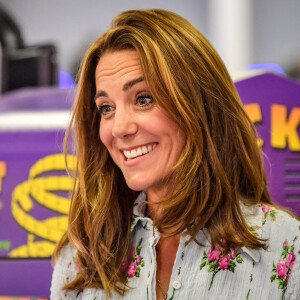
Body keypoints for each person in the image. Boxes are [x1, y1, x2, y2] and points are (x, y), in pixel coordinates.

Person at [50, 9, 300, 300]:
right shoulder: (81, 258)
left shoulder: (289, 247)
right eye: (106, 108)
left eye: (143, 99)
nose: (119, 128)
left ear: (200, 105)